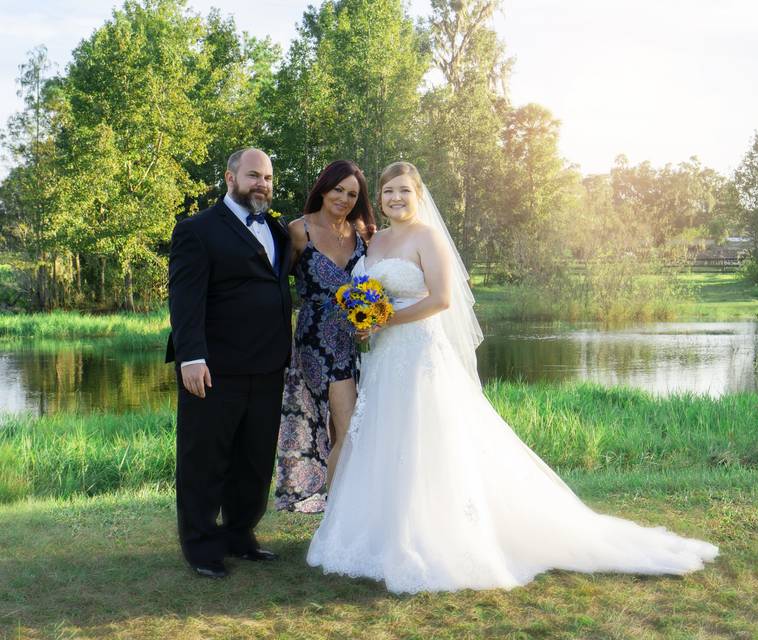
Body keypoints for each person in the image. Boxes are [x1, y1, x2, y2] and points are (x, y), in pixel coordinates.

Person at [306, 162, 718, 593]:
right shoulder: (376, 240)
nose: (395, 198)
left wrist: (387, 320)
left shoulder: (427, 238)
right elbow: (368, 293)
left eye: (404, 191)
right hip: (385, 357)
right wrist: (366, 320)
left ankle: (431, 536)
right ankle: (382, 533)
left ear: (419, 195)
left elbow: (443, 299)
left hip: (420, 354)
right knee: (385, 439)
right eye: (388, 191)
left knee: (422, 439)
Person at [166, 148, 292, 579]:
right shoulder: (196, 230)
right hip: (214, 368)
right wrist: (191, 357)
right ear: (230, 177)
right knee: (205, 459)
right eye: (254, 175)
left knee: (254, 460)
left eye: (268, 178)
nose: (262, 184)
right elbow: (185, 300)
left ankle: (240, 534)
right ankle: (201, 547)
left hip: (269, 366)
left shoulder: (277, 230)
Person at [274, 160, 375, 513]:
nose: (344, 199)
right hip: (317, 339)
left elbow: (377, 284)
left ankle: (345, 506)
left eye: (352, 194)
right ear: (323, 188)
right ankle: (339, 515)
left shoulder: (363, 233)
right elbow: (274, 286)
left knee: (340, 427)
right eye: (338, 190)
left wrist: (375, 320)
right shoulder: (298, 231)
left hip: (360, 339)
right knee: (347, 426)